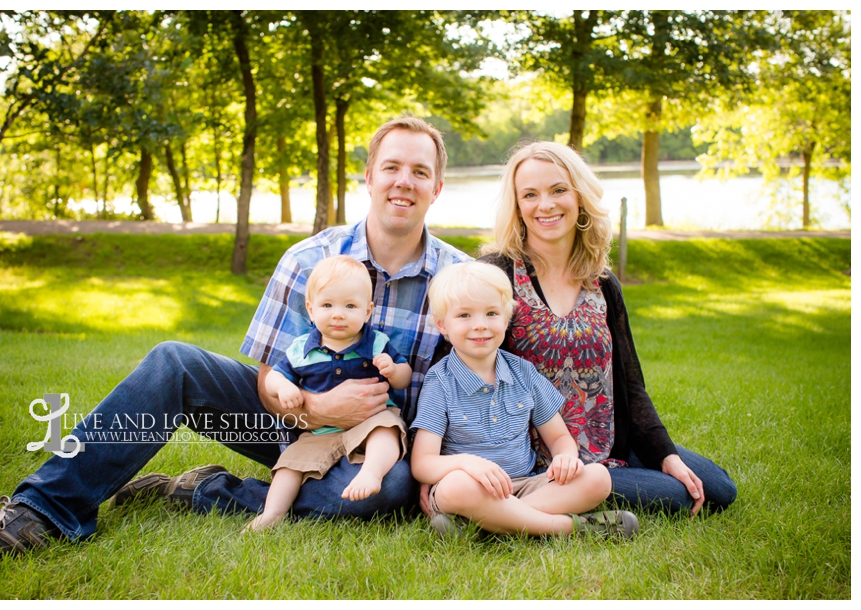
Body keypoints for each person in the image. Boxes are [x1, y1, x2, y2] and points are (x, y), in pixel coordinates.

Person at [0, 116, 470, 567]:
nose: (404, 181)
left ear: (438, 187)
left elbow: (461, 391)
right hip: (290, 420)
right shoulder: (308, 258)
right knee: (174, 362)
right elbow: (271, 376)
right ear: (369, 177)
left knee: (388, 492)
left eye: (420, 172)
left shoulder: (456, 279)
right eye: (392, 167)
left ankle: (200, 490)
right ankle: (41, 510)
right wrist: (313, 407)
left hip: (377, 446)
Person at [476, 141, 737, 515]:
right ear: (517, 206)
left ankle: (586, 487)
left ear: (580, 197)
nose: (545, 205)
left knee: (719, 489)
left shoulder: (601, 281)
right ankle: (533, 500)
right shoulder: (497, 273)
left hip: (607, 441)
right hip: (531, 455)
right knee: (677, 497)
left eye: (558, 190)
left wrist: (665, 455)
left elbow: (630, 383)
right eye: (530, 194)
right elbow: (456, 366)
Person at [410, 262, 639, 538]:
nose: (480, 325)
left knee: (598, 479)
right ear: (442, 324)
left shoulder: (523, 372)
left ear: (506, 319)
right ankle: (569, 528)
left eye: (491, 313)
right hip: (471, 489)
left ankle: (489, 527)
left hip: (527, 485)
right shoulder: (440, 382)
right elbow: (423, 464)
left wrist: (565, 458)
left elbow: (558, 438)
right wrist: (467, 463)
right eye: (465, 316)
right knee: (454, 487)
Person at [244, 255, 412, 531]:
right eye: (327, 305)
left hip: (370, 421)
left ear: (367, 311)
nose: (338, 314)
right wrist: (285, 387)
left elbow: (404, 376)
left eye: (350, 306)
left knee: (387, 428)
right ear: (310, 309)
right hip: (320, 431)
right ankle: (272, 514)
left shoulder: (375, 343)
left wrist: (393, 370)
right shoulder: (301, 349)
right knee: (290, 465)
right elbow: (274, 376)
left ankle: (371, 472)